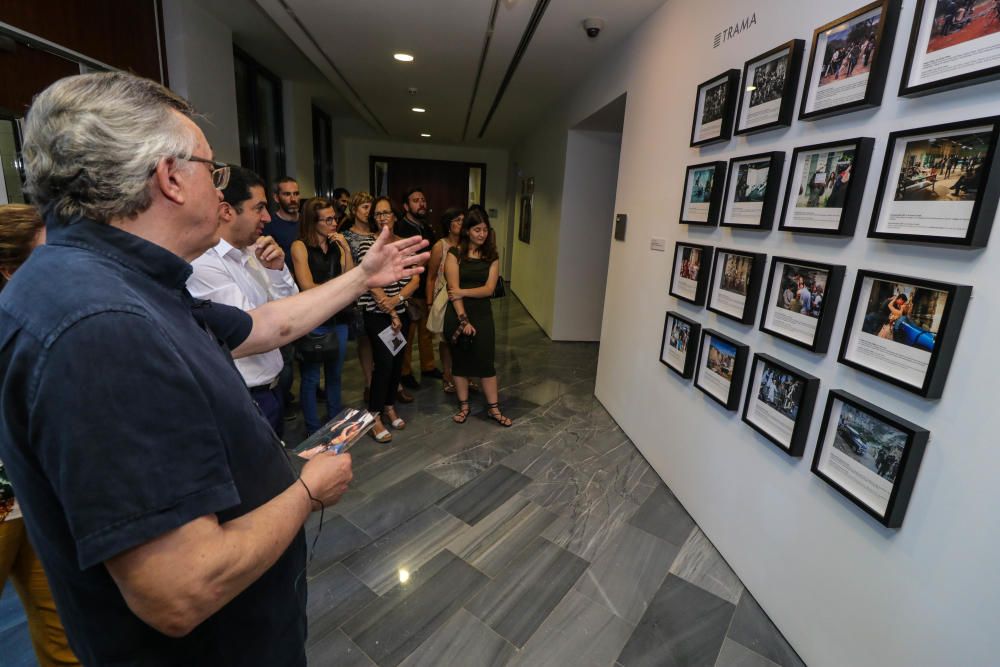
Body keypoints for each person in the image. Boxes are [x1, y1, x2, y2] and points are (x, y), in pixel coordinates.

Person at [0, 71, 428, 665]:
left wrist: (361, 275)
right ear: (170, 177)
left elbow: (264, 327)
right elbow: (182, 587)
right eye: (213, 168)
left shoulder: (115, 280)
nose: (220, 188)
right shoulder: (102, 326)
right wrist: (305, 487)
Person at [0, 204, 79, 666]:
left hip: (39, 493)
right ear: (11, 272)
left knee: (64, 630)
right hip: (6, 498)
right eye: (47, 258)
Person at [187, 167, 298, 436]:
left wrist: (277, 270)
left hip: (272, 389)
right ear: (227, 211)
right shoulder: (204, 262)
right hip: (243, 397)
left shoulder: (254, 252)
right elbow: (252, 331)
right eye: (259, 208)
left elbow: (294, 309)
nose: (267, 217)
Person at [290, 197, 353, 434]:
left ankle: (336, 423)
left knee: (335, 375)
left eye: (334, 218)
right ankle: (313, 429)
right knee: (311, 378)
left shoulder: (336, 244)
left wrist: (346, 249)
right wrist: (338, 291)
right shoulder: (300, 246)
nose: (334, 223)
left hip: (338, 318)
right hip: (314, 319)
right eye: (327, 220)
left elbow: (350, 277)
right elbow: (306, 286)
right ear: (312, 222)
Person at [361, 197, 421, 442]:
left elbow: (416, 279)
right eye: (377, 214)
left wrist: (397, 302)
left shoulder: (405, 244)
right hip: (377, 314)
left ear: (395, 216)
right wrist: (391, 310)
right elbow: (370, 281)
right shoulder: (368, 244)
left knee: (397, 363)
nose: (382, 217)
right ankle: (373, 415)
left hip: (401, 310)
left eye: (386, 212)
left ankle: (389, 406)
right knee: (384, 363)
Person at [444, 208, 511, 427]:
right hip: (458, 314)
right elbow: (453, 291)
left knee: (485, 361)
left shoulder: (492, 256)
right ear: (467, 231)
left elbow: (489, 289)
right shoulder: (454, 254)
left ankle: (493, 408)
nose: (482, 234)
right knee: (460, 362)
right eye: (477, 230)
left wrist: (464, 291)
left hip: (482, 314)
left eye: (485, 230)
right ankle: (464, 405)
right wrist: (464, 320)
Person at [264, 176, 302, 417]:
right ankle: (284, 400)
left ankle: (308, 388)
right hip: (280, 296)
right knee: (286, 357)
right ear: (277, 198)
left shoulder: (305, 223)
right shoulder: (270, 226)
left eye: (296, 193)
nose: (293, 199)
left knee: (310, 351)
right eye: (287, 194)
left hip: (306, 292)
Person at [396, 187, 441, 389]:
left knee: (426, 331)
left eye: (423, 199)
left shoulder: (427, 227)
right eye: (415, 200)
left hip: (426, 288)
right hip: (408, 289)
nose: (421, 203)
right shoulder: (400, 228)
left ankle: (428, 367)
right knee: (407, 334)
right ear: (406, 206)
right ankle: (404, 372)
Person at [340, 191, 380, 402]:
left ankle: (390, 382)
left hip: (383, 293)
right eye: (365, 207)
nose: (369, 212)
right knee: (365, 342)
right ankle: (369, 382)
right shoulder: (346, 236)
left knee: (383, 342)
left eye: (371, 207)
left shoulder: (378, 234)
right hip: (362, 296)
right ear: (354, 210)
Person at [426, 207, 464, 394]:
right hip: (444, 298)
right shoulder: (439, 246)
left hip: (464, 297)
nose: (462, 224)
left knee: (464, 339)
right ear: (449, 225)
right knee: (446, 340)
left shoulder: (468, 244)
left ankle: (464, 376)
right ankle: (447, 375)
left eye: (463, 220)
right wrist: (429, 304)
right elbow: (431, 277)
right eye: (457, 220)